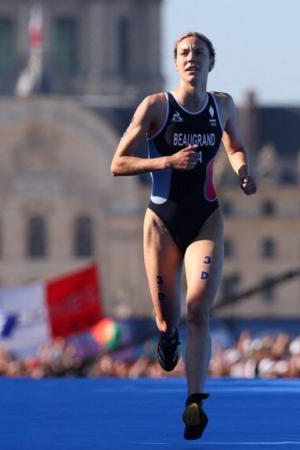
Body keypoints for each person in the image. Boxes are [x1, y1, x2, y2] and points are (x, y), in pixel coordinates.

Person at [110, 32, 257, 440]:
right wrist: (167, 160)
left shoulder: (222, 105)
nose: (192, 58)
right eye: (184, 53)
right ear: (176, 63)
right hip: (161, 221)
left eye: (200, 53)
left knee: (198, 308)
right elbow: (118, 163)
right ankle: (166, 335)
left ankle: (195, 402)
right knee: (167, 315)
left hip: (206, 219)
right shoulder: (157, 107)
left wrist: (243, 169)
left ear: (212, 62)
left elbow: (236, 145)